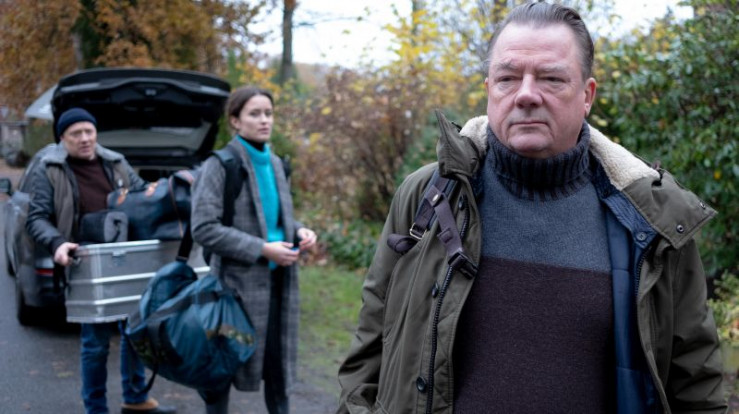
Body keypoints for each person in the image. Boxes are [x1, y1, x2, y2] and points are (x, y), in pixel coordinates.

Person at [336, 3, 727, 413]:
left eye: (551, 78)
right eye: (507, 78)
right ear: (489, 89)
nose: (525, 94)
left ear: (587, 95)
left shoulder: (654, 220)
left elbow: (696, 386)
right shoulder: (429, 196)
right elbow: (368, 356)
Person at [26, 108, 176, 414]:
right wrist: (57, 243)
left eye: (89, 132)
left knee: (134, 331)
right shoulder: (49, 168)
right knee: (95, 343)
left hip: (126, 258)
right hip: (85, 262)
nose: (84, 139)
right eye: (76, 134)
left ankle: (135, 398)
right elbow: (37, 218)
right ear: (62, 138)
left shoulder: (116, 162)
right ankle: (96, 408)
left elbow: (141, 197)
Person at [190, 86, 317, 414]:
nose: (264, 120)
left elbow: (275, 219)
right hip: (232, 292)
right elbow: (203, 228)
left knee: (278, 374)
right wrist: (261, 249)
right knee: (220, 374)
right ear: (235, 121)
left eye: (268, 113)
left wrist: (299, 230)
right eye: (255, 114)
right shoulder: (219, 165)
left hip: (279, 288)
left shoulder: (276, 164)